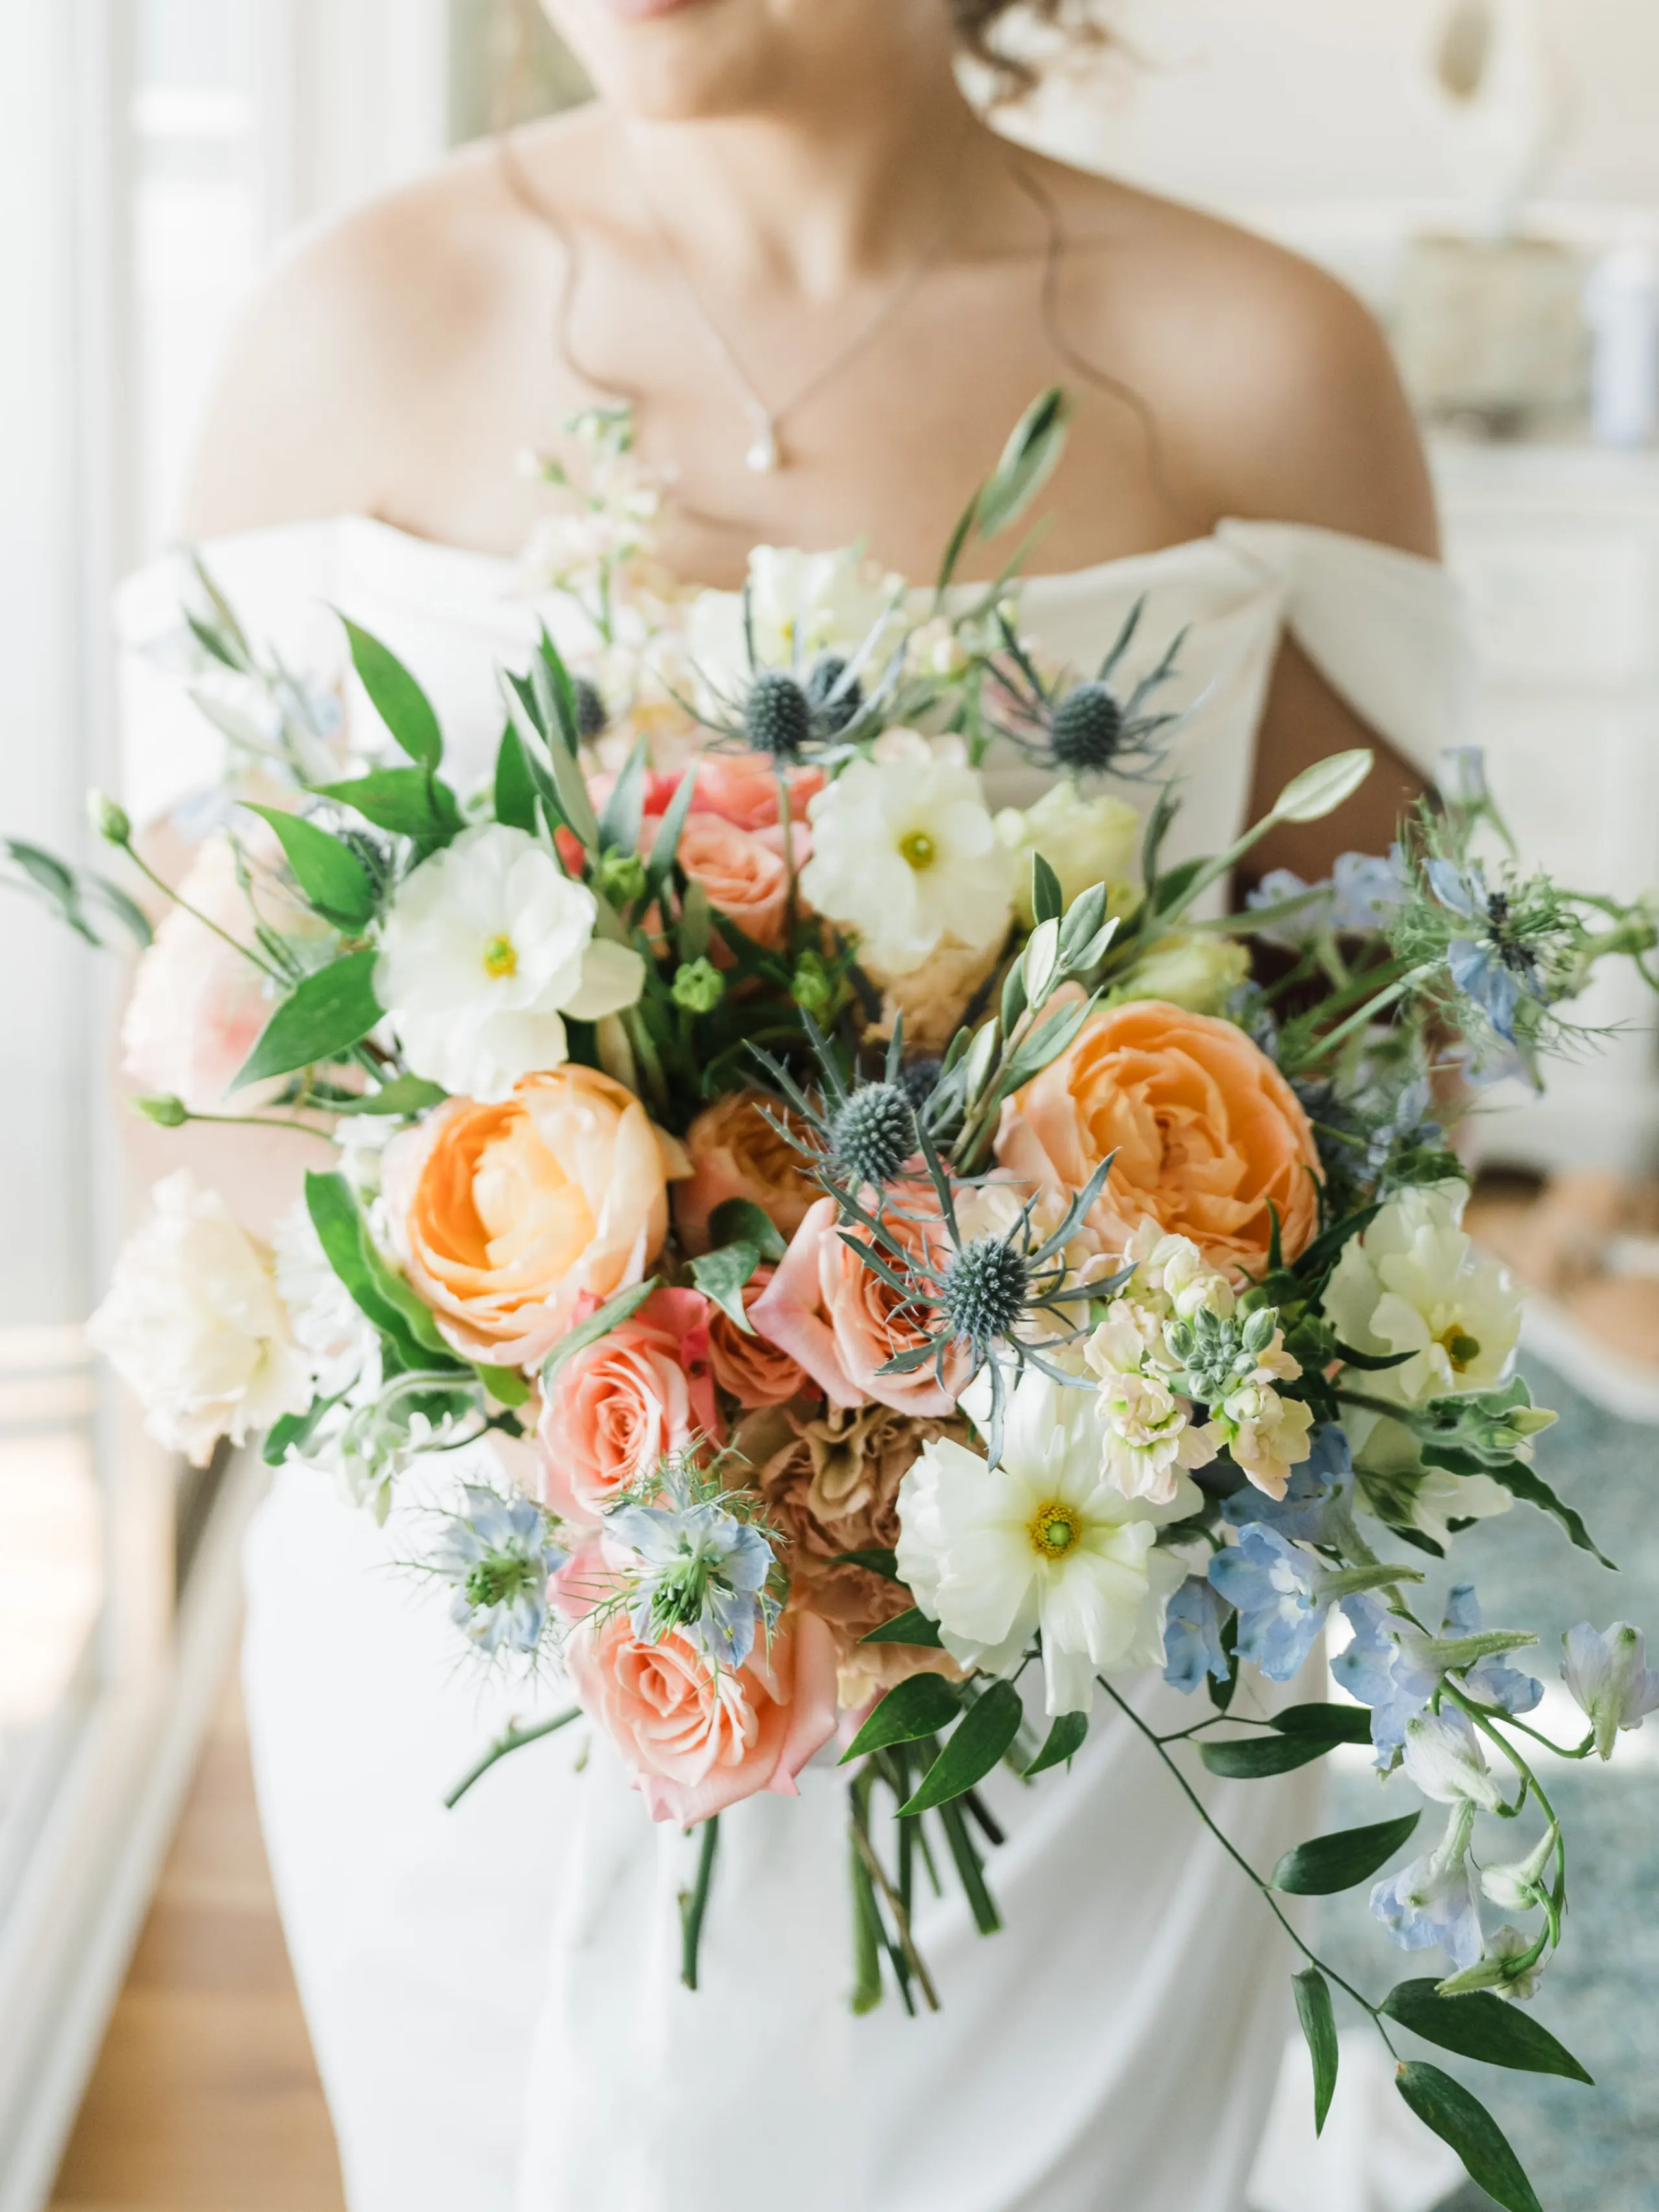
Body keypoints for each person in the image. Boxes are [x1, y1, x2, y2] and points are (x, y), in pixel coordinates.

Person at [119, 4, 1471, 2207]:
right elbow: (198, 1062)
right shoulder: (342, 335)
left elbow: (1382, 1089)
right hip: (475, 1673)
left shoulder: (1259, 364)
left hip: (1057, 1709)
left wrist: (962, 1399)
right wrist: (593, 1350)